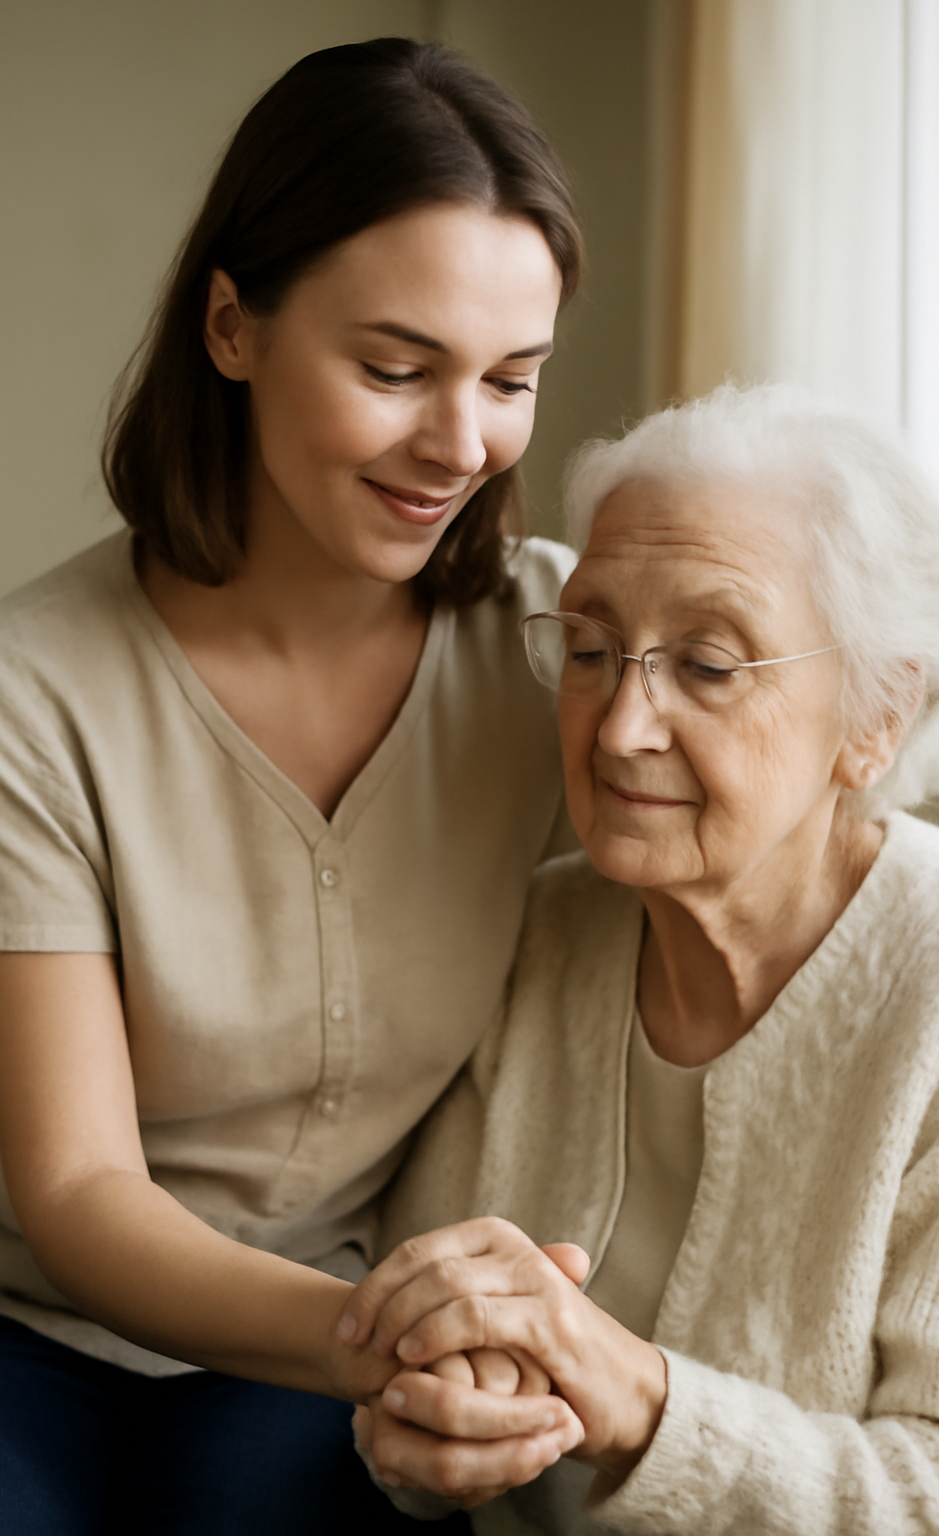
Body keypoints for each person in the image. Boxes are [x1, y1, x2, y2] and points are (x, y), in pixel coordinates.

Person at [0, 38, 586, 1535]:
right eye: (395, 369)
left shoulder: (561, 651)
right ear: (232, 325)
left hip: (314, 1347)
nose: (460, 445)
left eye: (510, 382)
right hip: (40, 1326)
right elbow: (74, 1195)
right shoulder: (34, 693)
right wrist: (405, 1339)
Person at [345, 383, 939, 1534]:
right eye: (594, 648)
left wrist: (645, 1407)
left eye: (708, 665)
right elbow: (414, 1344)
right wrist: (427, 1423)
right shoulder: (539, 935)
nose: (618, 727)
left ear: (879, 716)